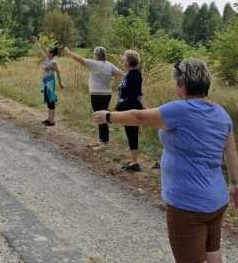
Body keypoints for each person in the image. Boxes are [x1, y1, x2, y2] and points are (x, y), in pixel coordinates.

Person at [93, 59, 238, 263]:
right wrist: (234, 184)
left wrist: (108, 116)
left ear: (182, 84)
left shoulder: (179, 110)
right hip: (217, 200)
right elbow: (230, 151)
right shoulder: (221, 114)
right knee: (212, 254)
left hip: (188, 204)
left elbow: (139, 116)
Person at [64, 46, 124, 150]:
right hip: (107, 94)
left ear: (96, 54)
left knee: (101, 117)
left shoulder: (93, 64)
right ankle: (101, 140)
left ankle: (104, 143)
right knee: (102, 116)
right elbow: (121, 74)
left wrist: (69, 52)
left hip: (97, 94)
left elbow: (79, 59)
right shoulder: (109, 65)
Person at [116, 50, 144, 171]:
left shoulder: (135, 74)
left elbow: (137, 93)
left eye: (124, 59)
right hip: (127, 106)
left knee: (132, 133)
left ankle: (135, 162)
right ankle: (134, 160)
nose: (122, 60)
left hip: (131, 107)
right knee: (130, 133)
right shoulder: (129, 73)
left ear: (129, 61)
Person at [34, 37, 63, 126]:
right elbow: (40, 50)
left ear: (52, 53)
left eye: (48, 51)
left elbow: (58, 72)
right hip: (45, 80)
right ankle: (49, 119)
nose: (46, 51)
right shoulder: (47, 58)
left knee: (51, 100)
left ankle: (52, 121)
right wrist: (36, 41)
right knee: (47, 99)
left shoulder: (53, 61)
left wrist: (60, 83)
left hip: (50, 81)